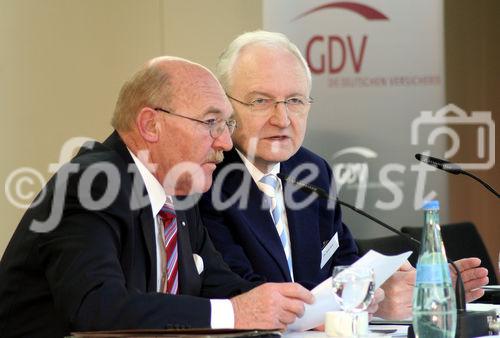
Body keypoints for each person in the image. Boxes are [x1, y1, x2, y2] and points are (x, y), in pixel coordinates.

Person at [0, 56, 316, 337]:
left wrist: (298, 312)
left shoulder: (178, 191)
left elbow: (220, 285)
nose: (225, 142)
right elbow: (97, 308)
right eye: (211, 123)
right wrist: (237, 314)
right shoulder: (90, 185)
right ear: (151, 125)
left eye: (226, 124)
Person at [198, 30, 489, 319]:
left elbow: (344, 262)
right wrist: (363, 300)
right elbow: (243, 295)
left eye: (295, 101)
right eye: (261, 101)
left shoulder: (311, 171)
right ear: (225, 106)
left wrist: (395, 289)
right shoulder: (206, 179)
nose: (282, 119)